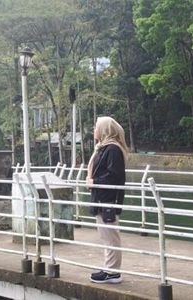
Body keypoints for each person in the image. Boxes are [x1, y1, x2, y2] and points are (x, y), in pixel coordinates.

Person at [86, 116, 128, 284]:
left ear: (104, 130)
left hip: (108, 200)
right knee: (106, 236)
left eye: (96, 127)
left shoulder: (112, 150)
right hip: (102, 198)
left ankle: (113, 272)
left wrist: (94, 181)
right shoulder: (104, 148)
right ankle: (109, 268)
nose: (94, 130)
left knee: (110, 236)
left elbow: (114, 176)